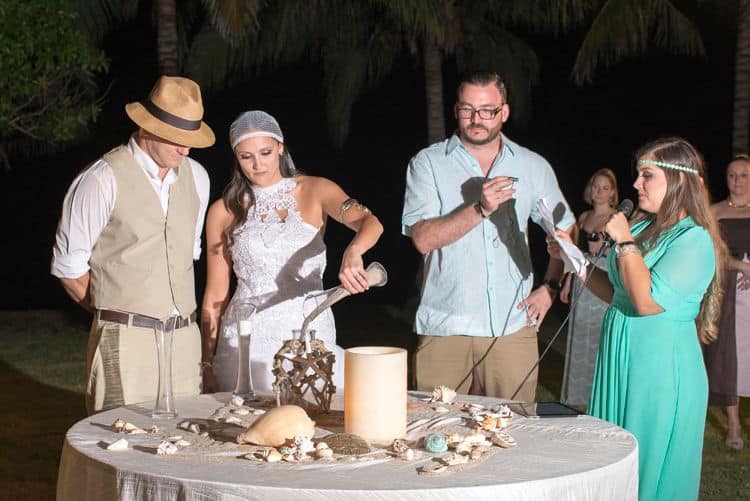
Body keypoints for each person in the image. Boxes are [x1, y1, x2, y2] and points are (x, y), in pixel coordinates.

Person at [556, 137, 725, 500]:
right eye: (637, 175)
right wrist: (575, 257)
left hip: (660, 370)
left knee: (648, 471)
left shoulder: (694, 240)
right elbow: (617, 290)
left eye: (647, 175)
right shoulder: (644, 229)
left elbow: (646, 302)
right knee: (613, 460)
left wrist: (624, 243)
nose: (635, 184)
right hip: (621, 360)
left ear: (678, 182)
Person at [401, 71, 575, 402]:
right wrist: (479, 208)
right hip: (447, 324)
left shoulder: (532, 166)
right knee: (434, 433)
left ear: (504, 112)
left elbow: (564, 228)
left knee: (512, 433)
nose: (476, 119)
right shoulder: (428, 163)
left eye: (487, 110)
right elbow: (422, 239)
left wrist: (550, 287)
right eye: (468, 109)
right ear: (456, 111)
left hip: (513, 325)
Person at [51, 76, 215, 414]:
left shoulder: (197, 177)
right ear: (147, 129)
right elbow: (69, 270)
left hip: (184, 341)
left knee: (186, 445)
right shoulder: (101, 179)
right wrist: (114, 313)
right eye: (176, 140)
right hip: (124, 342)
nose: (185, 149)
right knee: (119, 444)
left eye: (190, 141)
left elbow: (186, 255)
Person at [200, 110, 382, 394]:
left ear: (280, 148)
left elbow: (370, 222)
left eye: (265, 152)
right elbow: (215, 295)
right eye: (246, 156)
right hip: (244, 341)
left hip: (308, 334)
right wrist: (206, 363)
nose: (258, 164)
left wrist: (354, 251)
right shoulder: (222, 211)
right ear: (236, 157)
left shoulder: (315, 189)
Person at [560, 168, 618, 407]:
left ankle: (602, 395)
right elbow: (574, 255)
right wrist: (566, 282)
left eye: (605, 188)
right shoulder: (583, 218)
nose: (599, 192)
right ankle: (578, 396)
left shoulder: (618, 219)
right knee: (580, 334)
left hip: (605, 278)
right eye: (596, 186)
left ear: (613, 192)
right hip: (582, 280)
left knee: (600, 335)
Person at [703, 154, 750, 450]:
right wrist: (740, 266)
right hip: (730, 286)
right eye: (732, 175)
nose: (737, 180)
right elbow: (710, 252)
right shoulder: (715, 211)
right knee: (730, 356)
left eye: (744, 174)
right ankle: (734, 424)